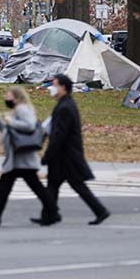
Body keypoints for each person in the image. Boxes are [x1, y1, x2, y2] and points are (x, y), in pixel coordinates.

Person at [33, 74, 110, 226]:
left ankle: (100, 211)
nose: (51, 88)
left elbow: (59, 135)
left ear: (63, 87)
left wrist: (48, 155)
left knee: (76, 186)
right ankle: (50, 215)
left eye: (54, 85)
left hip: (66, 157)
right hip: (64, 156)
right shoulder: (65, 104)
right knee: (53, 186)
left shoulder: (65, 107)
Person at [0, 87, 59, 226]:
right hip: (18, 159)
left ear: (16, 97)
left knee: (17, 188)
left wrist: (11, 121)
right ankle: (53, 211)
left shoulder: (22, 109)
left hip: (22, 159)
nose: (6, 97)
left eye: (8, 95)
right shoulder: (17, 110)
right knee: (9, 188)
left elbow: (30, 125)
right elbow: (6, 130)